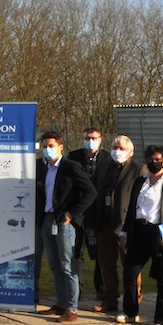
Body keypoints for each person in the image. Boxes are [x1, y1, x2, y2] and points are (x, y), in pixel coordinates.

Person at [116, 145, 163, 325]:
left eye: (157, 160)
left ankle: (162, 321)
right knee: (130, 273)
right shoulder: (140, 182)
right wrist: (124, 232)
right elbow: (132, 208)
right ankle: (130, 311)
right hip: (139, 231)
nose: (153, 163)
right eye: (150, 160)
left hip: (162, 233)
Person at [36, 131, 96, 323]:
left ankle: (72, 308)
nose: (47, 149)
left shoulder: (71, 167)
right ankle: (61, 303)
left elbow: (90, 192)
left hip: (64, 221)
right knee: (54, 264)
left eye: (51, 146)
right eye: (44, 146)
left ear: (61, 146)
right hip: (46, 220)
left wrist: (71, 214)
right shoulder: (42, 168)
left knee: (67, 264)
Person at [88, 135, 146, 313]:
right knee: (106, 265)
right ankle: (110, 300)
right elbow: (94, 192)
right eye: (114, 147)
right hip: (104, 223)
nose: (117, 151)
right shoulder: (103, 166)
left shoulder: (138, 169)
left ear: (130, 152)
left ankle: (133, 300)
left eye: (121, 148)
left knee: (130, 265)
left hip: (126, 225)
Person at [68, 127, 110, 301]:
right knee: (77, 252)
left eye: (93, 138)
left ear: (100, 139)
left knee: (100, 252)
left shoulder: (107, 158)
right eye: (87, 138)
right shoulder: (74, 157)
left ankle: (101, 288)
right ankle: (77, 290)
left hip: (100, 212)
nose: (90, 141)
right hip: (79, 211)